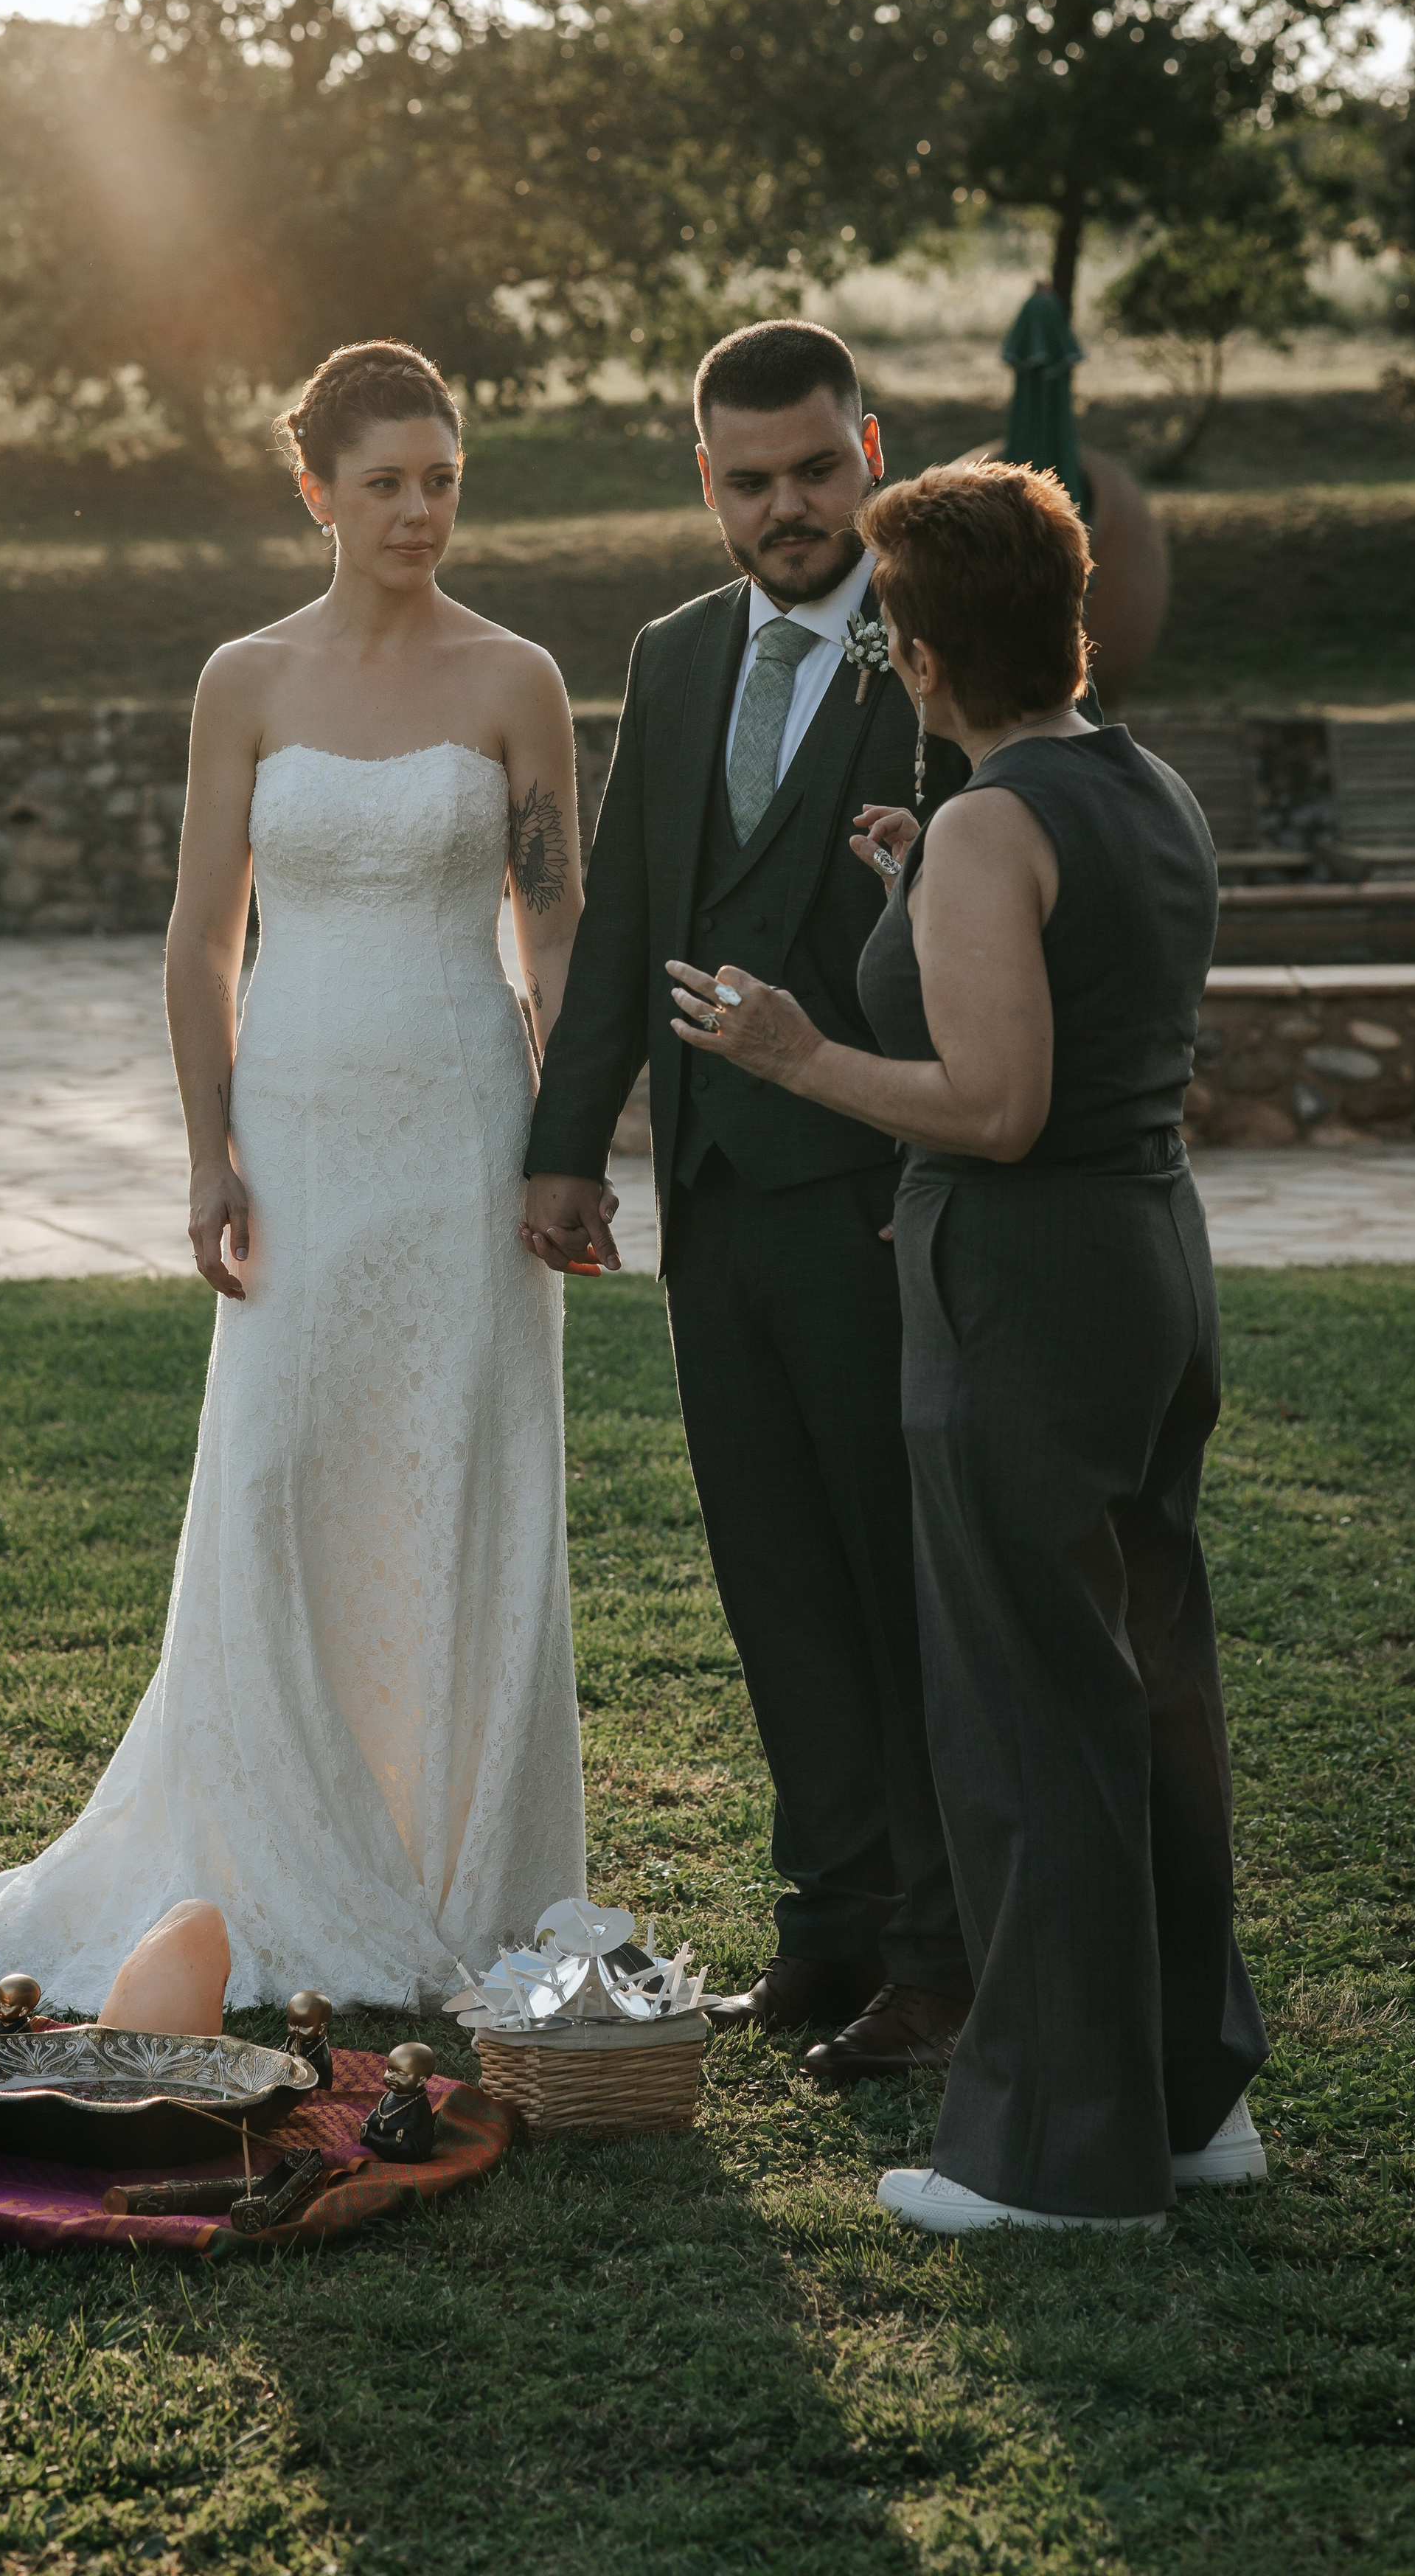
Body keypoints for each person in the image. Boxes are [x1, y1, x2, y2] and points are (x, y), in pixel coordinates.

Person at [0, 340, 588, 2015]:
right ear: (315, 494)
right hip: (294, 1124)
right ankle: (270, 1849)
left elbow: (552, 920)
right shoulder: (244, 682)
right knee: (280, 1471)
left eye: (441, 481)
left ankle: (453, 1865)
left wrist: (565, 1138)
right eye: (385, 485)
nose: (419, 512)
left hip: (462, 1128)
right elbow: (202, 938)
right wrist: (209, 1148)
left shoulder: (518, 681)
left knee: (459, 1470)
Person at [665, 458, 1269, 2229]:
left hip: (1022, 1283)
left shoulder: (997, 827)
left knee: (1027, 1718)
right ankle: (1181, 2103)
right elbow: (1073, 1016)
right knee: (1149, 1692)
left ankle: (1056, 2159)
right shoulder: (1130, 784)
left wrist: (793, 1053)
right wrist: (922, 883)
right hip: (1146, 1264)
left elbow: (994, 1108)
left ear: (921, 655)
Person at [522, 319, 975, 2065]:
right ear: (701, 481)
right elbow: (630, 916)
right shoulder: (674, 650)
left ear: (868, 447)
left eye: (815, 470)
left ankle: (937, 1957)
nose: (788, 508)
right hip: (714, 1209)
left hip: (878, 1201)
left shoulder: (941, 645)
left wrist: (923, 1164)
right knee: (773, 1580)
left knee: (896, 1582)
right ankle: (828, 1928)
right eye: (749, 480)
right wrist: (570, 1144)